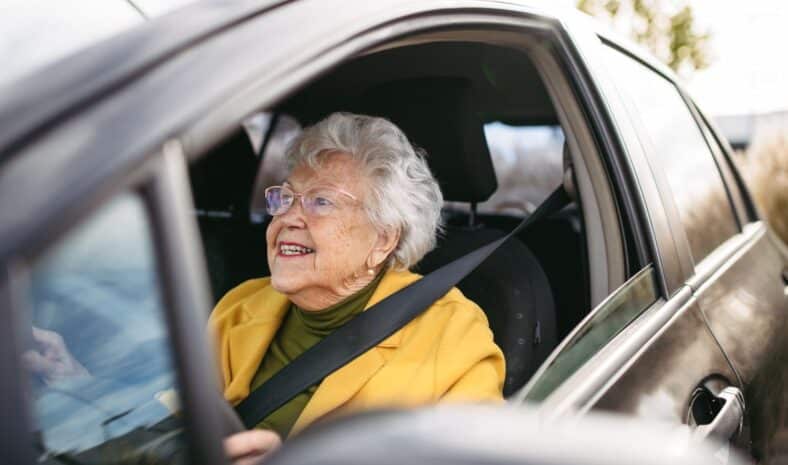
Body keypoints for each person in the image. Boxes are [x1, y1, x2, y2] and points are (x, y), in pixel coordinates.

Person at [212, 112, 505, 462]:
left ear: (383, 239)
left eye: (321, 201)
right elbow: (169, 427)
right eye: (286, 198)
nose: (288, 217)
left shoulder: (453, 334)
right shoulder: (240, 306)